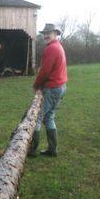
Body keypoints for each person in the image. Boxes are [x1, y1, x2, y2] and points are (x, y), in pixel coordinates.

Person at [30, 23, 67, 157]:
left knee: (37, 118)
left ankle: (31, 150)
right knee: (49, 117)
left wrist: (36, 85)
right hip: (61, 87)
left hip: (52, 88)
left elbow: (44, 71)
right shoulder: (58, 46)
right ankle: (52, 150)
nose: (45, 35)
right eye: (44, 33)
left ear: (55, 33)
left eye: (49, 33)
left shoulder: (51, 49)